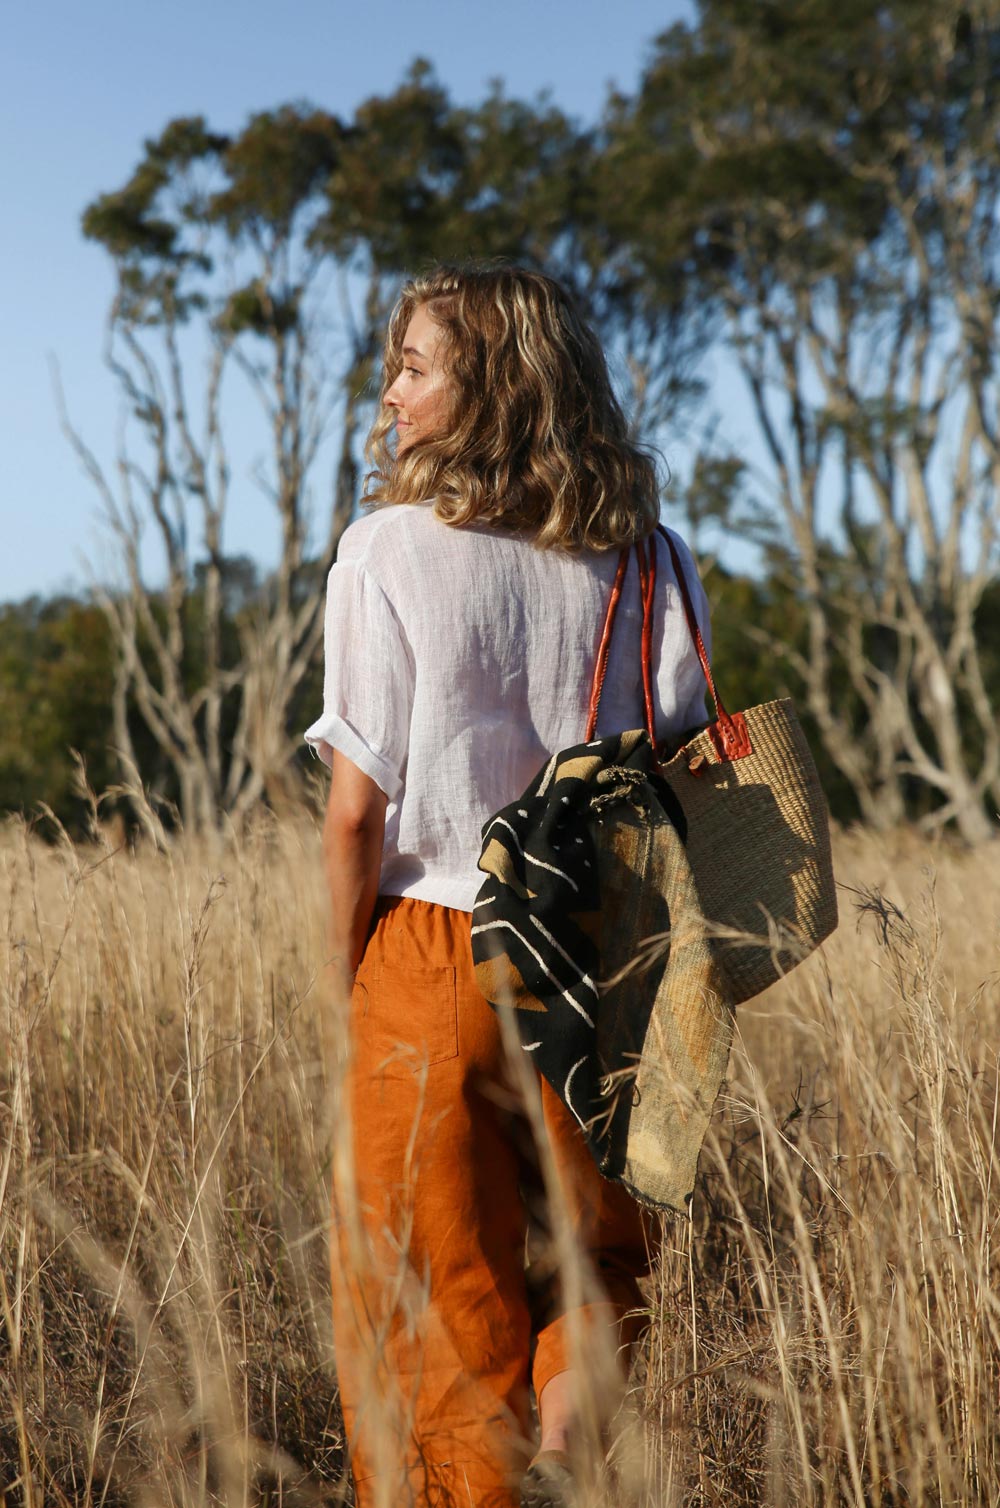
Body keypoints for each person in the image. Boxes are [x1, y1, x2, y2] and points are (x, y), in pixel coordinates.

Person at [305, 263, 711, 1508]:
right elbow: (686, 767)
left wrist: (344, 987)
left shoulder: (385, 550)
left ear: (485, 386)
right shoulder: (654, 558)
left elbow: (356, 813)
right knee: (601, 1258)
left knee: (435, 1297)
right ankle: (563, 1459)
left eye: (412, 368)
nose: (388, 396)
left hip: (431, 948)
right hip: (612, 945)